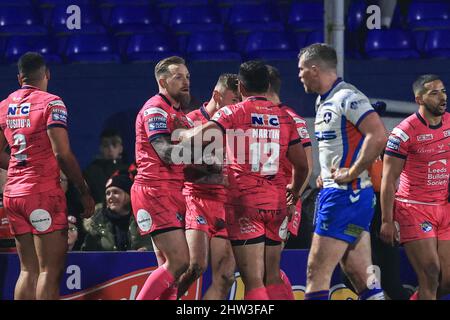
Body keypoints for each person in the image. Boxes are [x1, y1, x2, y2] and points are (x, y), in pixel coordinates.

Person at [179, 60, 309, 300]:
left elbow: (199, 137)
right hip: (277, 204)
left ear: (240, 86)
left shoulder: (233, 111)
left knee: (254, 280)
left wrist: (184, 134)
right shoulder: (284, 116)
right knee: (272, 275)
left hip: (245, 205)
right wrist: (296, 191)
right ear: (267, 84)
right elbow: (302, 166)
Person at [0, 52, 95, 300]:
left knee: (27, 269)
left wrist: (18, 165)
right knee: (49, 271)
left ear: (20, 78)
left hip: (13, 195)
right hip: (42, 194)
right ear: (47, 74)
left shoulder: (5, 104)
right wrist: (83, 190)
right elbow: (62, 153)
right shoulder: (52, 103)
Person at [298, 43, 387, 300]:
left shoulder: (347, 97)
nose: (299, 75)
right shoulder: (322, 101)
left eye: (302, 69)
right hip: (343, 193)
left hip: (345, 195)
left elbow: (378, 134)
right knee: (361, 275)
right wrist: (326, 173)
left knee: (317, 272)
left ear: (315, 69)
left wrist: (352, 171)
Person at [380, 74, 450, 300]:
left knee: (446, 281)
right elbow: (389, 179)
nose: (443, 97)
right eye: (434, 93)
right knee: (430, 272)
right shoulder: (403, 132)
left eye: (443, 91)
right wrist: (387, 221)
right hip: (414, 208)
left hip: (444, 207)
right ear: (419, 99)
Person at [131, 56, 192, 300]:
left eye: (187, 76)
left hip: (170, 192)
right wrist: (199, 146)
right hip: (154, 191)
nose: (186, 81)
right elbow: (166, 153)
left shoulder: (179, 114)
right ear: (163, 81)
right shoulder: (155, 109)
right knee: (179, 261)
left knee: (170, 269)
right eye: (178, 77)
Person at [176, 74, 240, 300]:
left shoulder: (237, 123)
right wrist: (208, 166)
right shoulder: (190, 121)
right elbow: (175, 162)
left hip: (226, 204)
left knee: (225, 278)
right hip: (196, 199)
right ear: (217, 96)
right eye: (234, 101)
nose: (238, 106)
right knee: (194, 267)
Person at [266, 65, 313, 299]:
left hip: (283, 203)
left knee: (267, 270)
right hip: (258, 203)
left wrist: (292, 198)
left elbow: (307, 166)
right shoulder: (251, 116)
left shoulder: (292, 119)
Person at [81, 174, 153, 251]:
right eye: (108, 193)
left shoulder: (143, 220)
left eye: (116, 192)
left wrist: (146, 250)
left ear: (129, 195)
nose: (110, 197)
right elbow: (86, 254)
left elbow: (156, 246)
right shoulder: (96, 224)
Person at [84, 128, 130, 205]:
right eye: (106, 145)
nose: (110, 149)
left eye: (114, 144)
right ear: (101, 148)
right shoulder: (91, 171)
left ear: (121, 148)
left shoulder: (129, 170)